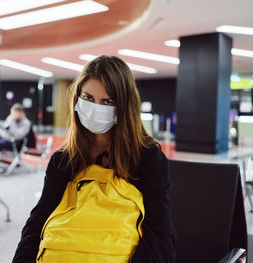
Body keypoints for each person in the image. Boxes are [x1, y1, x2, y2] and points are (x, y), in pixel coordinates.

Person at [12, 55, 176, 262]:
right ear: (77, 99)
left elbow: (160, 236)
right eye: (88, 98)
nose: (96, 108)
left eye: (107, 102)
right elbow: (37, 223)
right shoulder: (63, 160)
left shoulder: (147, 158)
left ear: (123, 107)